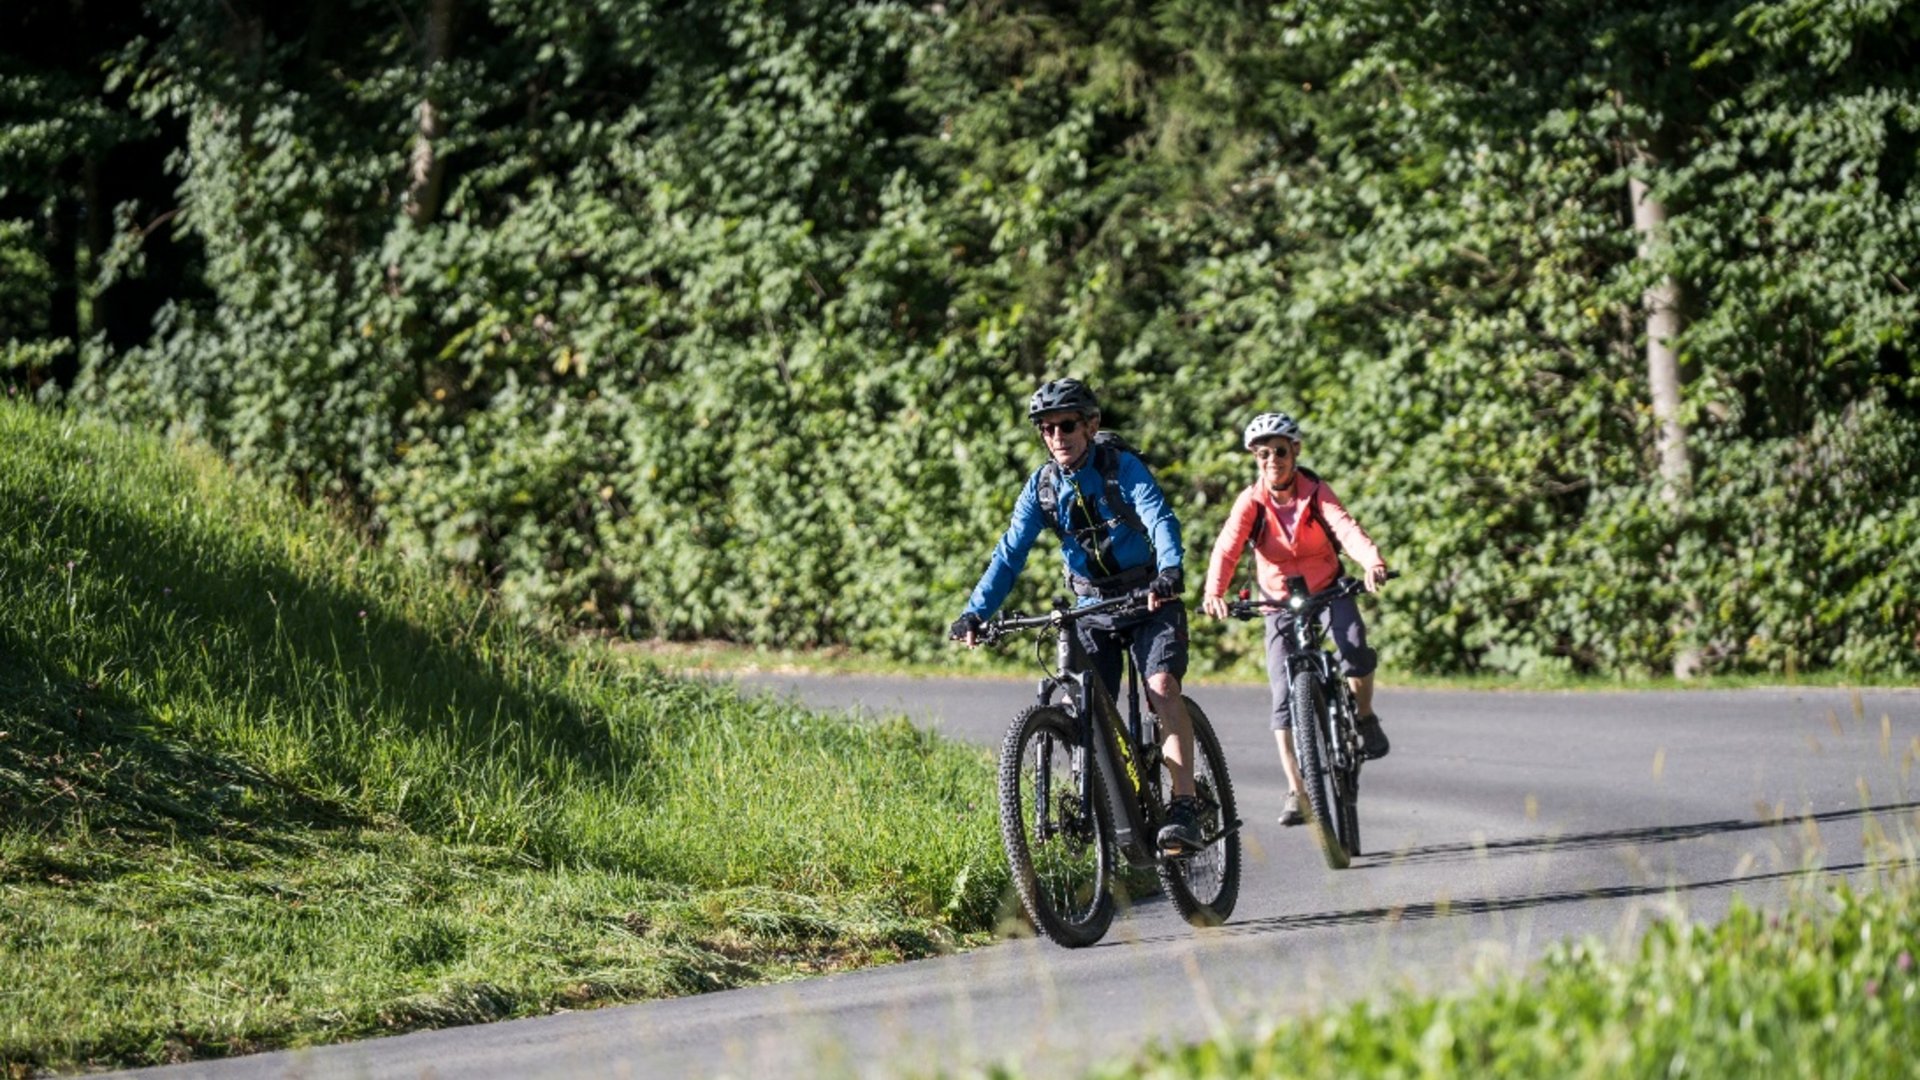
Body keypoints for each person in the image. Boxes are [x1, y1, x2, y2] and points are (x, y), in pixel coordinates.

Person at [949, 378, 1206, 854]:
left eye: (1066, 425)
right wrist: (975, 613)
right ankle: (1107, 810)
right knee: (1083, 712)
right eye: (1046, 429)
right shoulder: (1042, 487)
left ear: (1090, 425)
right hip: (1092, 607)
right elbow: (1009, 556)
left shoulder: (1118, 467)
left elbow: (1159, 517)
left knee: (1161, 687)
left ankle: (1185, 807)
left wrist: (1170, 570)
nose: (1056, 437)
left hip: (1148, 595)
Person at [1200, 411, 1391, 828]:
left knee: (1354, 645)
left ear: (1296, 451)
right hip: (1278, 600)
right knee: (1282, 693)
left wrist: (1372, 563)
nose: (1273, 461)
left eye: (1280, 452)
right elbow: (1228, 548)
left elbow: (1346, 529)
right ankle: (1297, 790)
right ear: (1255, 458)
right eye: (1263, 454)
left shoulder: (1316, 492)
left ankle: (1363, 715)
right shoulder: (1251, 502)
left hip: (1328, 588)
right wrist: (1214, 592)